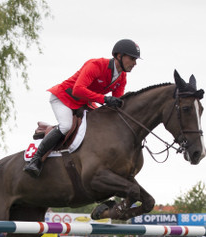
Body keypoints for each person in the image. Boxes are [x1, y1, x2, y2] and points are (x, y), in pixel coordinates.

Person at [23, 39, 141, 178]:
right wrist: (104, 99)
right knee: (66, 126)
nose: (135, 63)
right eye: (132, 58)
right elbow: (78, 90)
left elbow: (117, 103)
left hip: (84, 102)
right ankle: (36, 160)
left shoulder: (122, 78)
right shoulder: (96, 65)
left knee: (100, 124)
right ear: (119, 56)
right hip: (63, 98)